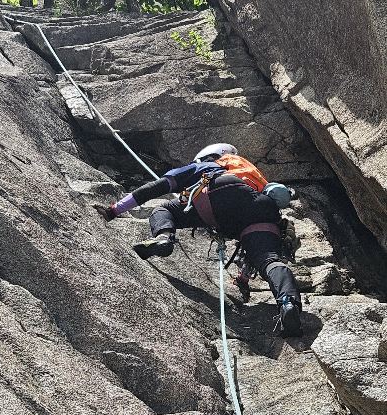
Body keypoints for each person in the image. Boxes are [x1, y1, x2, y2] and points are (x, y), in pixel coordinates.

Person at [94, 143, 302, 337]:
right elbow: (251, 249)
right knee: (269, 260)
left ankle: (164, 238)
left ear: (208, 156)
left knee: (164, 209)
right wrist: (242, 280)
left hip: (219, 193)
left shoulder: (211, 166)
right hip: (263, 208)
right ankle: (288, 303)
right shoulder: (253, 176)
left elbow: (158, 187)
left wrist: (113, 211)